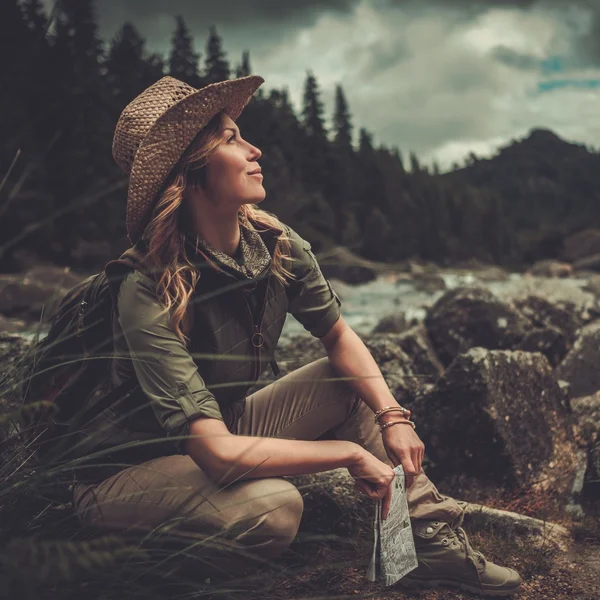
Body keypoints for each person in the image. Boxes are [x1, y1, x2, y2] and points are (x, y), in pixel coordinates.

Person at [70, 75, 522, 596]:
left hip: (222, 425)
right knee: (274, 509)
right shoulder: (147, 285)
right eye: (232, 140)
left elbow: (338, 337)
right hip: (126, 472)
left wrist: (391, 416)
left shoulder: (275, 244)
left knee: (346, 381)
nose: (254, 148)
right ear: (190, 175)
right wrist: (350, 456)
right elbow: (216, 453)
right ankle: (128, 564)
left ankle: (424, 545)